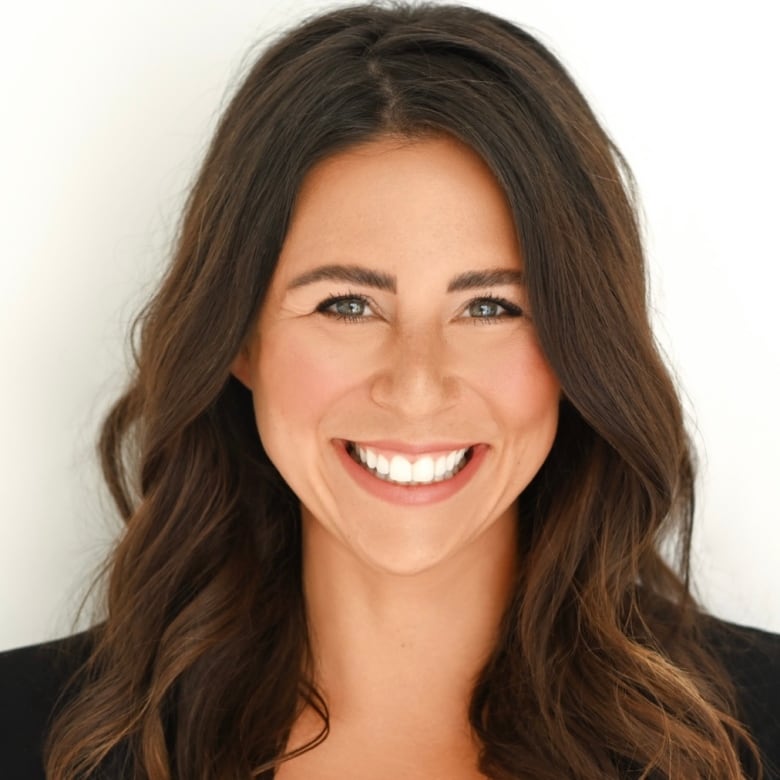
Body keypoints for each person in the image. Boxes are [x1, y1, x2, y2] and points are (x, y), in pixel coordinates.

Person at [1, 3, 778, 778]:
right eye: (348, 305)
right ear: (238, 338)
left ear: (581, 346)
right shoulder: (21, 732)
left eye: (490, 307)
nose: (415, 388)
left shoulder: (761, 725)